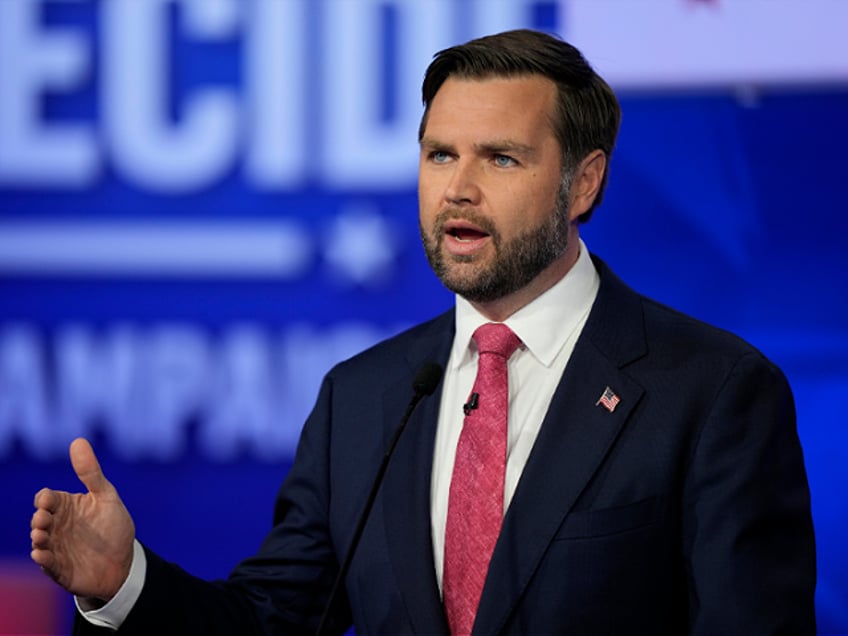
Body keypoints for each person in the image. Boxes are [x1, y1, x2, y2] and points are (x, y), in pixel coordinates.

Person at [30, 29, 816, 635]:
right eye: (440, 154)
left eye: (501, 159)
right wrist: (121, 580)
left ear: (584, 182)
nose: (459, 190)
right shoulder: (363, 398)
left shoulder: (711, 392)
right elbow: (274, 622)